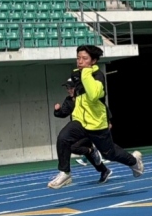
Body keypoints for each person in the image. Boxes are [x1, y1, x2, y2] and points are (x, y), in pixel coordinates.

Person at [48, 45, 144, 189]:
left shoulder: (98, 76)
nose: (80, 61)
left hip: (96, 124)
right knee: (63, 138)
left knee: (109, 154)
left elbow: (93, 95)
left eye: (84, 58)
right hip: (80, 122)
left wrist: (86, 73)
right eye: (78, 58)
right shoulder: (76, 75)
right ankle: (65, 173)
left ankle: (134, 161)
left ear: (93, 61)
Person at [54, 78, 110, 182]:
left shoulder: (85, 97)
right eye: (67, 88)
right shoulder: (68, 100)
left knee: (74, 147)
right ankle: (104, 170)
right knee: (87, 152)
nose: (69, 90)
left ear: (76, 88)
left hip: (90, 129)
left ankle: (92, 152)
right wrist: (57, 110)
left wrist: (108, 121)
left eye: (71, 88)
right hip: (77, 131)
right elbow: (63, 113)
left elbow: (102, 106)